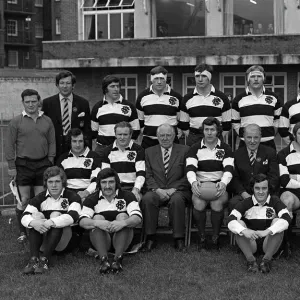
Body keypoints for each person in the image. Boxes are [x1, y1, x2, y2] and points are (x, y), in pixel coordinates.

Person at [5, 89, 55, 242]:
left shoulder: (47, 120)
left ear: (38, 101)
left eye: (34, 101)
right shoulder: (16, 122)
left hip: (42, 164)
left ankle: (40, 229)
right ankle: (23, 232)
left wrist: (50, 161)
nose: (31, 104)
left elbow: (52, 142)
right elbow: (9, 144)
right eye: (28, 102)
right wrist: (11, 166)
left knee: (40, 199)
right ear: (23, 103)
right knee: (25, 199)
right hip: (23, 165)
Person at [79, 168, 142, 274]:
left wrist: (122, 223)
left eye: (111, 182)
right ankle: (104, 260)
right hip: (101, 240)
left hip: (123, 239)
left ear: (116, 183)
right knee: (97, 218)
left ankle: (118, 259)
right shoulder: (91, 199)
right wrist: (97, 223)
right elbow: (82, 221)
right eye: (104, 182)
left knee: (123, 216)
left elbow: (137, 217)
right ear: (99, 184)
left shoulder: (127, 196)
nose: (107, 186)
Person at [21, 166, 82, 274]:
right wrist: (34, 223)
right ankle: (34, 259)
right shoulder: (39, 198)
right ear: (46, 183)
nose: (54, 185)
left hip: (66, 241)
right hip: (44, 240)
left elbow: (73, 216)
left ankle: (45, 260)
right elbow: (25, 216)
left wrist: (51, 222)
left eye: (57, 181)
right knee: (35, 217)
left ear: (63, 182)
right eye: (50, 182)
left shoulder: (73, 197)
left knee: (55, 216)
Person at [141, 123, 191, 252]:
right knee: (147, 199)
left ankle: (178, 238)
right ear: (157, 136)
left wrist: (173, 189)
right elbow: (147, 174)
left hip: (178, 190)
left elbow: (189, 174)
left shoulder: (185, 150)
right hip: (156, 189)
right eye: (161, 135)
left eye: (168, 135)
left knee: (177, 200)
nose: (165, 138)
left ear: (174, 136)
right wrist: (157, 190)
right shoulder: (149, 151)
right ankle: (150, 237)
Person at [186, 117, 234, 250]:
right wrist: (194, 182)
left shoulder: (225, 148)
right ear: (203, 131)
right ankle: (201, 237)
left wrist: (223, 183)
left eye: (212, 129)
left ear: (218, 131)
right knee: (199, 204)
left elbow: (229, 169)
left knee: (216, 203)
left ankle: (215, 237)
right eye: (206, 129)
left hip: (219, 186)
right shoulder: (195, 148)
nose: (209, 132)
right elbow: (190, 168)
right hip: (200, 185)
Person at [228, 174, 291, 273]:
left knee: (278, 222)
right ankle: (251, 261)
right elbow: (230, 219)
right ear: (252, 189)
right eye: (257, 188)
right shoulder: (245, 203)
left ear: (268, 189)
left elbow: (287, 218)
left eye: (264, 188)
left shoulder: (275, 201)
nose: (261, 192)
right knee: (238, 223)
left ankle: (266, 261)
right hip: (251, 242)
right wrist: (244, 231)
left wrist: (267, 231)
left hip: (268, 242)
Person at [228, 124, 279, 213]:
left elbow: (274, 177)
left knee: (276, 203)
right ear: (243, 137)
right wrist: (244, 194)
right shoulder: (236, 155)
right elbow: (235, 179)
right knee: (233, 203)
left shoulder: (270, 153)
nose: (252, 141)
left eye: (256, 137)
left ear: (260, 137)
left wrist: (262, 193)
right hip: (244, 194)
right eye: (249, 137)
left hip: (265, 193)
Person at [42, 71, 92, 160]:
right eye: (62, 83)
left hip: (76, 147)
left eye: (68, 83)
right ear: (57, 85)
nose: (65, 86)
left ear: (73, 85)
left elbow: (87, 129)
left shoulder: (83, 103)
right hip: (55, 148)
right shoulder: (47, 103)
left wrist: (88, 151)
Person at [231, 65, 282, 150]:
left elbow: (278, 120)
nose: (255, 79)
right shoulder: (238, 99)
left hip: (268, 144)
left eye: (259, 76)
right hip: (245, 144)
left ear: (263, 79)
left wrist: (270, 134)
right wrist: (244, 136)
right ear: (248, 79)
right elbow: (235, 122)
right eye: (252, 76)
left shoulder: (274, 98)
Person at [179, 64, 231, 146]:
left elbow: (227, 125)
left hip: (215, 138)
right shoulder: (187, 98)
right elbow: (183, 125)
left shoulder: (222, 97)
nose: (200, 79)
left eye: (203, 76)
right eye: (197, 76)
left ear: (209, 78)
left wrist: (215, 136)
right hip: (194, 139)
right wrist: (194, 136)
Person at [91, 75, 140, 158]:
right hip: (102, 150)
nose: (116, 89)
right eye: (112, 86)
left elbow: (136, 129)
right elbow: (93, 131)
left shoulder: (129, 106)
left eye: (118, 86)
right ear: (105, 89)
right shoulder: (97, 107)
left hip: (123, 150)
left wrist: (126, 144)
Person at [136, 66, 182, 149]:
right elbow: (140, 120)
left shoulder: (177, 97)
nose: (159, 82)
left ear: (166, 79)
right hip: (149, 143)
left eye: (162, 79)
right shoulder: (142, 97)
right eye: (156, 79)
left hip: (171, 142)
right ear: (151, 80)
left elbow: (181, 120)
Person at [101, 121, 145, 202]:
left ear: (131, 135)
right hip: (114, 188)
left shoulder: (139, 150)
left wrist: (136, 189)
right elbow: (106, 175)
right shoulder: (107, 151)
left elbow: (141, 173)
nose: (122, 137)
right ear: (115, 135)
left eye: (125, 134)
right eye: (119, 134)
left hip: (132, 188)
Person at [56, 128, 102, 202]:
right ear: (69, 142)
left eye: (80, 141)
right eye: (74, 141)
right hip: (68, 197)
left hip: (88, 196)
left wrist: (86, 192)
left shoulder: (94, 157)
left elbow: (96, 181)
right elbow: (58, 182)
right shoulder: (62, 159)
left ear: (85, 142)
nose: (77, 145)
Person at [277, 121, 300, 256]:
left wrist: (295, 177)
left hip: (294, 185)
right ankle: (286, 243)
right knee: (286, 201)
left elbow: (290, 178)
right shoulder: (283, 154)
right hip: (291, 192)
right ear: (294, 135)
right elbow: (285, 181)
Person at [278, 80, 300, 145]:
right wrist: (294, 145)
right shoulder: (289, 105)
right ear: (299, 88)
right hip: (296, 148)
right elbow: (282, 129)